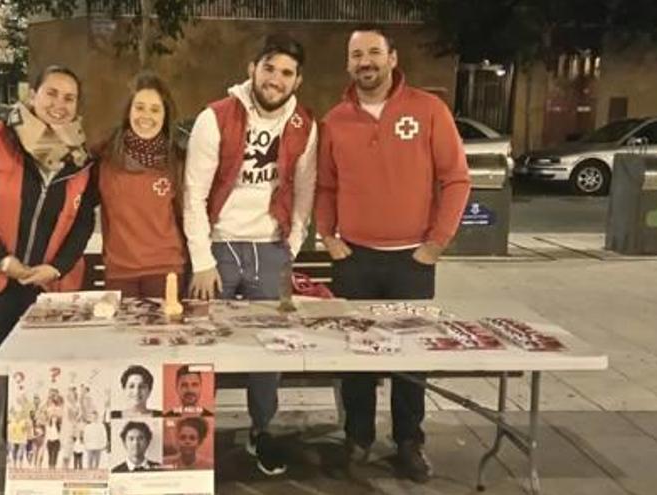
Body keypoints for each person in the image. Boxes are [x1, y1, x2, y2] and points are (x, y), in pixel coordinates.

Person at [315, 25, 471, 483]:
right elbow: (326, 185)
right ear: (348, 64)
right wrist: (328, 237)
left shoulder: (428, 110)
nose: (366, 61)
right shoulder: (336, 120)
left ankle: (409, 442)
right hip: (355, 259)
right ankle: (358, 437)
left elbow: (457, 179)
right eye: (357, 54)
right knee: (356, 355)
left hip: (411, 262)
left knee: (410, 357)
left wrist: (436, 243)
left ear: (392, 58)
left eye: (374, 53)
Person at [183, 33, 317, 476]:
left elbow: (304, 191)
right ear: (252, 69)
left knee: (269, 351)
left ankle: (263, 431)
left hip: (269, 248)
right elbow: (194, 194)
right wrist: (202, 258)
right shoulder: (215, 117)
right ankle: (191, 435)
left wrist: (291, 245)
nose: (275, 79)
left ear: (297, 80)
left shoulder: (304, 125)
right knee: (203, 346)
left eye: (286, 72)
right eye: (269, 68)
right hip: (220, 248)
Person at [0, 65, 99, 360]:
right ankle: (2, 409)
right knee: (5, 365)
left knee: (42, 369)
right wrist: (2, 260)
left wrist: (57, 267)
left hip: (45, 283)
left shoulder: (80, 160)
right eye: (51, 93)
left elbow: (83, 221)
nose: (59, 105)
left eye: (69, 98)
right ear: (33, 96)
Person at [97, 72, 186, 298]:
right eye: (139, 107)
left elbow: (189, 214)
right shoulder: (105, 157)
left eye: (155, 110)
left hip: (166, 271)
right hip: (120, 272)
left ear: (165, 115)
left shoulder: (177, 160)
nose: (146, 116)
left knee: (162, 334)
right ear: (128, 111)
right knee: (123, 334)